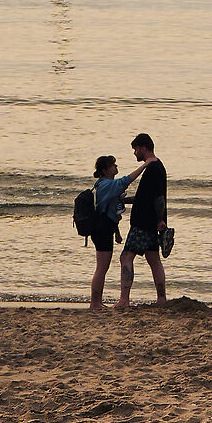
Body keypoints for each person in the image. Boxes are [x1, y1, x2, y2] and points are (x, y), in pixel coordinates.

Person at [118, 132, 171, 309]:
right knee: (153, 259)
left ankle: (124, 300)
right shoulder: (158, 167)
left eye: (135, 149)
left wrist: (159, 220)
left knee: (126, 257)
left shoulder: (152, 169)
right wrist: (124, 200)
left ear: (143, 148)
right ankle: (161, 299)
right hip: (152, 221)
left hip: (142, 222)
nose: (134, 153)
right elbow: (146, 197)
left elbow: (158, 199)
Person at [86, 155, 137, 312]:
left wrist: (116, 232)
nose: (116, 167)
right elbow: (124, 181)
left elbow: (110, 211)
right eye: (113, 165)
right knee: (101, 268)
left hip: (104, 228)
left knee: (103, 267)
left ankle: (97, 302)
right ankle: (95, 303)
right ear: (105, 169)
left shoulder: (105, 185)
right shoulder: (107, 184)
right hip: (101, 230)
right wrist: (144, 166)